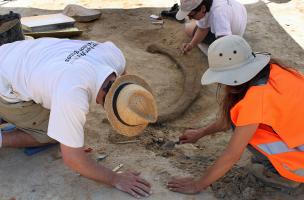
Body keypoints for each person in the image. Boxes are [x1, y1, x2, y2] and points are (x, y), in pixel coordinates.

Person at [0, 31, 158, 198]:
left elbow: (122, 74)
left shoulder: (114, 56)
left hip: (11, 54)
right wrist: (115, 178)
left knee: (60, 114)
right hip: (5, 84)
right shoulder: (73, 93)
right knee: (54, 134)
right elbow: (72, 159)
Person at [167, 35, 304, 194]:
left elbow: (232, 154)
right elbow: (230, 120)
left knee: (250, 134)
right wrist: (200, 133)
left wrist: (198, 184)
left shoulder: (255, 99)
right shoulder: (276, 70)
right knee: (244, 123)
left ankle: (287, 175)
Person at [176, 0, 247, 54]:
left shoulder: (218, 14)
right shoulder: (205, 5)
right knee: (196, 23)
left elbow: (226, 44)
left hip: (232, 35)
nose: (190, 18)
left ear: (203, 8)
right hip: (239, 14)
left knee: (188, 27)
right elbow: (202, 29)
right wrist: (191, 45)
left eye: (191, 15)